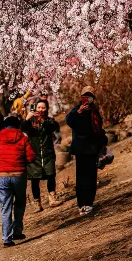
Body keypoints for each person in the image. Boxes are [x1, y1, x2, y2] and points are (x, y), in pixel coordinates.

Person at [0, 115, 36, 247]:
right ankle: (17, 232)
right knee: (19, 203)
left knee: (5, 207)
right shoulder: (23, 137)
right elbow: (31, 157)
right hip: (19, 175)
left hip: (2, 175)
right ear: (18, 126)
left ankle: (7, 239)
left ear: (5, 126)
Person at [65, 86, 108, 216]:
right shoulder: (76, 109)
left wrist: (103, 141)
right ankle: (81, 204)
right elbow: (69, 120)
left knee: (91, 177)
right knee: (81, 178)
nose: (88, 98)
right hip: (81, 150)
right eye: (85, 96)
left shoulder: (94, 111)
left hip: (92, 149)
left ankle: (89, 203)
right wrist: (79, 112)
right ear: (82, 97)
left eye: (90, 96)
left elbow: (98, 129)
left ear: (93, 98)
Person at [22, 98, 61, 210]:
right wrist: (27, 118)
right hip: (34, 156)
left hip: (48, 154)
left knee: (51, 175)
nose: (41, 110)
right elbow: (22, 128)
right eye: (39, 107)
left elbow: (53, 127)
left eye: (43, 107)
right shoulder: (30, 122)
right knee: (35, 179)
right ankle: (37, 202)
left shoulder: (49, 121)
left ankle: (52, 198)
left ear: (47, 109)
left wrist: (42, 120)